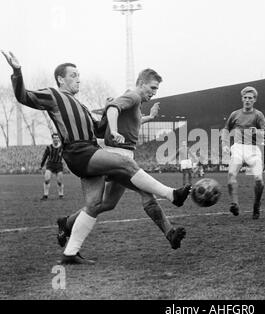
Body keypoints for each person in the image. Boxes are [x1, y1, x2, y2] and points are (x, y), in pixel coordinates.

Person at [2, 51, 190, 265]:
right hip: (79, 151)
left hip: (87, 152)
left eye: (79, 75)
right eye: (73, 75)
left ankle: (70, 252)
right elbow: (23, 96)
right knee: (126, 163)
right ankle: (172, 195)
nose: (78, 78)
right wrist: (17, 71)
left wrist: (108, 119)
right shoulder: (54, 95)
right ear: (61, 79)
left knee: (95, 204)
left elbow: (100, 130)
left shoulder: (81, 106)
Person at [56, 69, 186, 253]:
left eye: (156, 89)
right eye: (152, 88)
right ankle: (170, 229)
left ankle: (66, 223)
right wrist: (115, 130)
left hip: (124, 156)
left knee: (107, 203)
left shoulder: (136, 103)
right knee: (146, 194)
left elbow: (133, 121)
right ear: (141, 83)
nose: (154, 92)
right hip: (118, 156)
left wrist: (150, 117)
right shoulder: (133, 96)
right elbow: (113, 108)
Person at [222, 86, 265, 219]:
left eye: (250, 98)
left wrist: (258, 131)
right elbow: (226, 129)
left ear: (254, 100)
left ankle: (256, 205)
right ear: (242, 99)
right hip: (238, 147)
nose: (247, 100)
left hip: (253, 149)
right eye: (245, 98)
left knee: (259, 180)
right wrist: (225, 145)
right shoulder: (235, 114)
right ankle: (235, 204)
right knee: (231, 174)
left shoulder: (258, 115)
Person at [40, 133, 64, 200]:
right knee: (47, 179)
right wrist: (41, 165)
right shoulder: (49, 147)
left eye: (57, 138)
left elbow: (67, 156)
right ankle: (45, 195)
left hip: (59, 164)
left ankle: (61, 194)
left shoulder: (62, 147)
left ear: (59, 139)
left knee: (59, 182)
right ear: (52, 139)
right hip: (50, 164)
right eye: (54, 138)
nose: (56, 139)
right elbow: (44, 157)